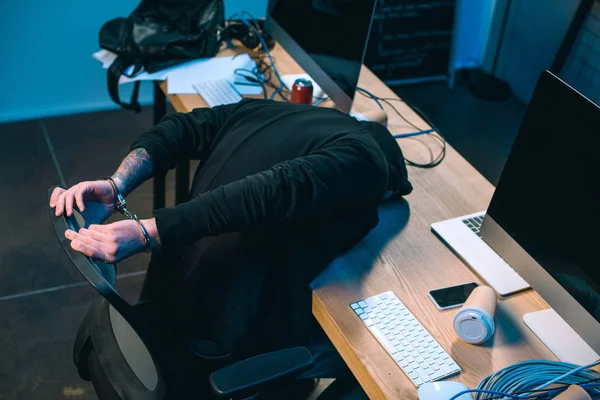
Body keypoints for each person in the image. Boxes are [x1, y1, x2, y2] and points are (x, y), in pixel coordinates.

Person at [49, 99, 412, 380]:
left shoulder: (269, 110)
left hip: (166, 294)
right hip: (220, 339)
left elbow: (181, 127)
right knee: (366, 357)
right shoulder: (366, 162)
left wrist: (118, 183)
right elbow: (270, 191)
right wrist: (147, 231)